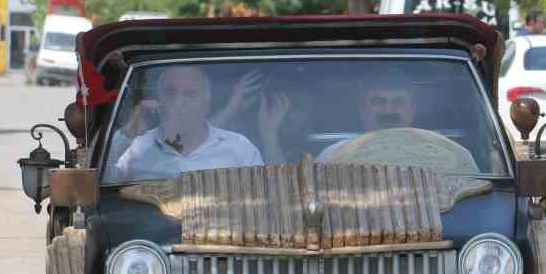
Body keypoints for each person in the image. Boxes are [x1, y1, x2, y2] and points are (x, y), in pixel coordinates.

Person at [108, 65, 264, 182]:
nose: (178, 103)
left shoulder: (240, 149)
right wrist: (127, 133)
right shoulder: (137, 147)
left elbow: (262, 201)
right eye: (170, 93)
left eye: (189, 94)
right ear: (158, 100)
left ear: (207, 104)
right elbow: (103, 189)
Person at [258, 68, 416, 163]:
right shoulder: (334, 156)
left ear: (411, 111)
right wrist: (270, 135)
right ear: (362, 110)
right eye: (378, 101)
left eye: (398, 102)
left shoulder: (438, 152)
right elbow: (292, 198)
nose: (388, 110)